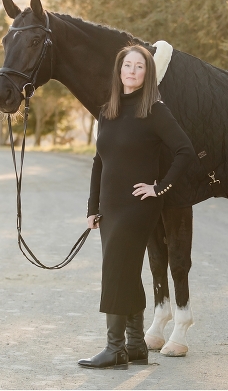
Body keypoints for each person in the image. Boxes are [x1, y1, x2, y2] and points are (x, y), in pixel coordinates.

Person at [78, 45, 196, 370]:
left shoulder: (155, 111)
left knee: (115, 271)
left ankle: (114, 349)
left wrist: (159, 188)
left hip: (137, 207)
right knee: (126, 271)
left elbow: (185, 150)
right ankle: (135, 346)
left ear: (148, 74)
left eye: (139, 66)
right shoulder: (107, 112)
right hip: (110, 208)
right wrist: (92, 207)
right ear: (119, 71)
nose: (132, 71)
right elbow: (99, 162)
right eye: (127, 65)